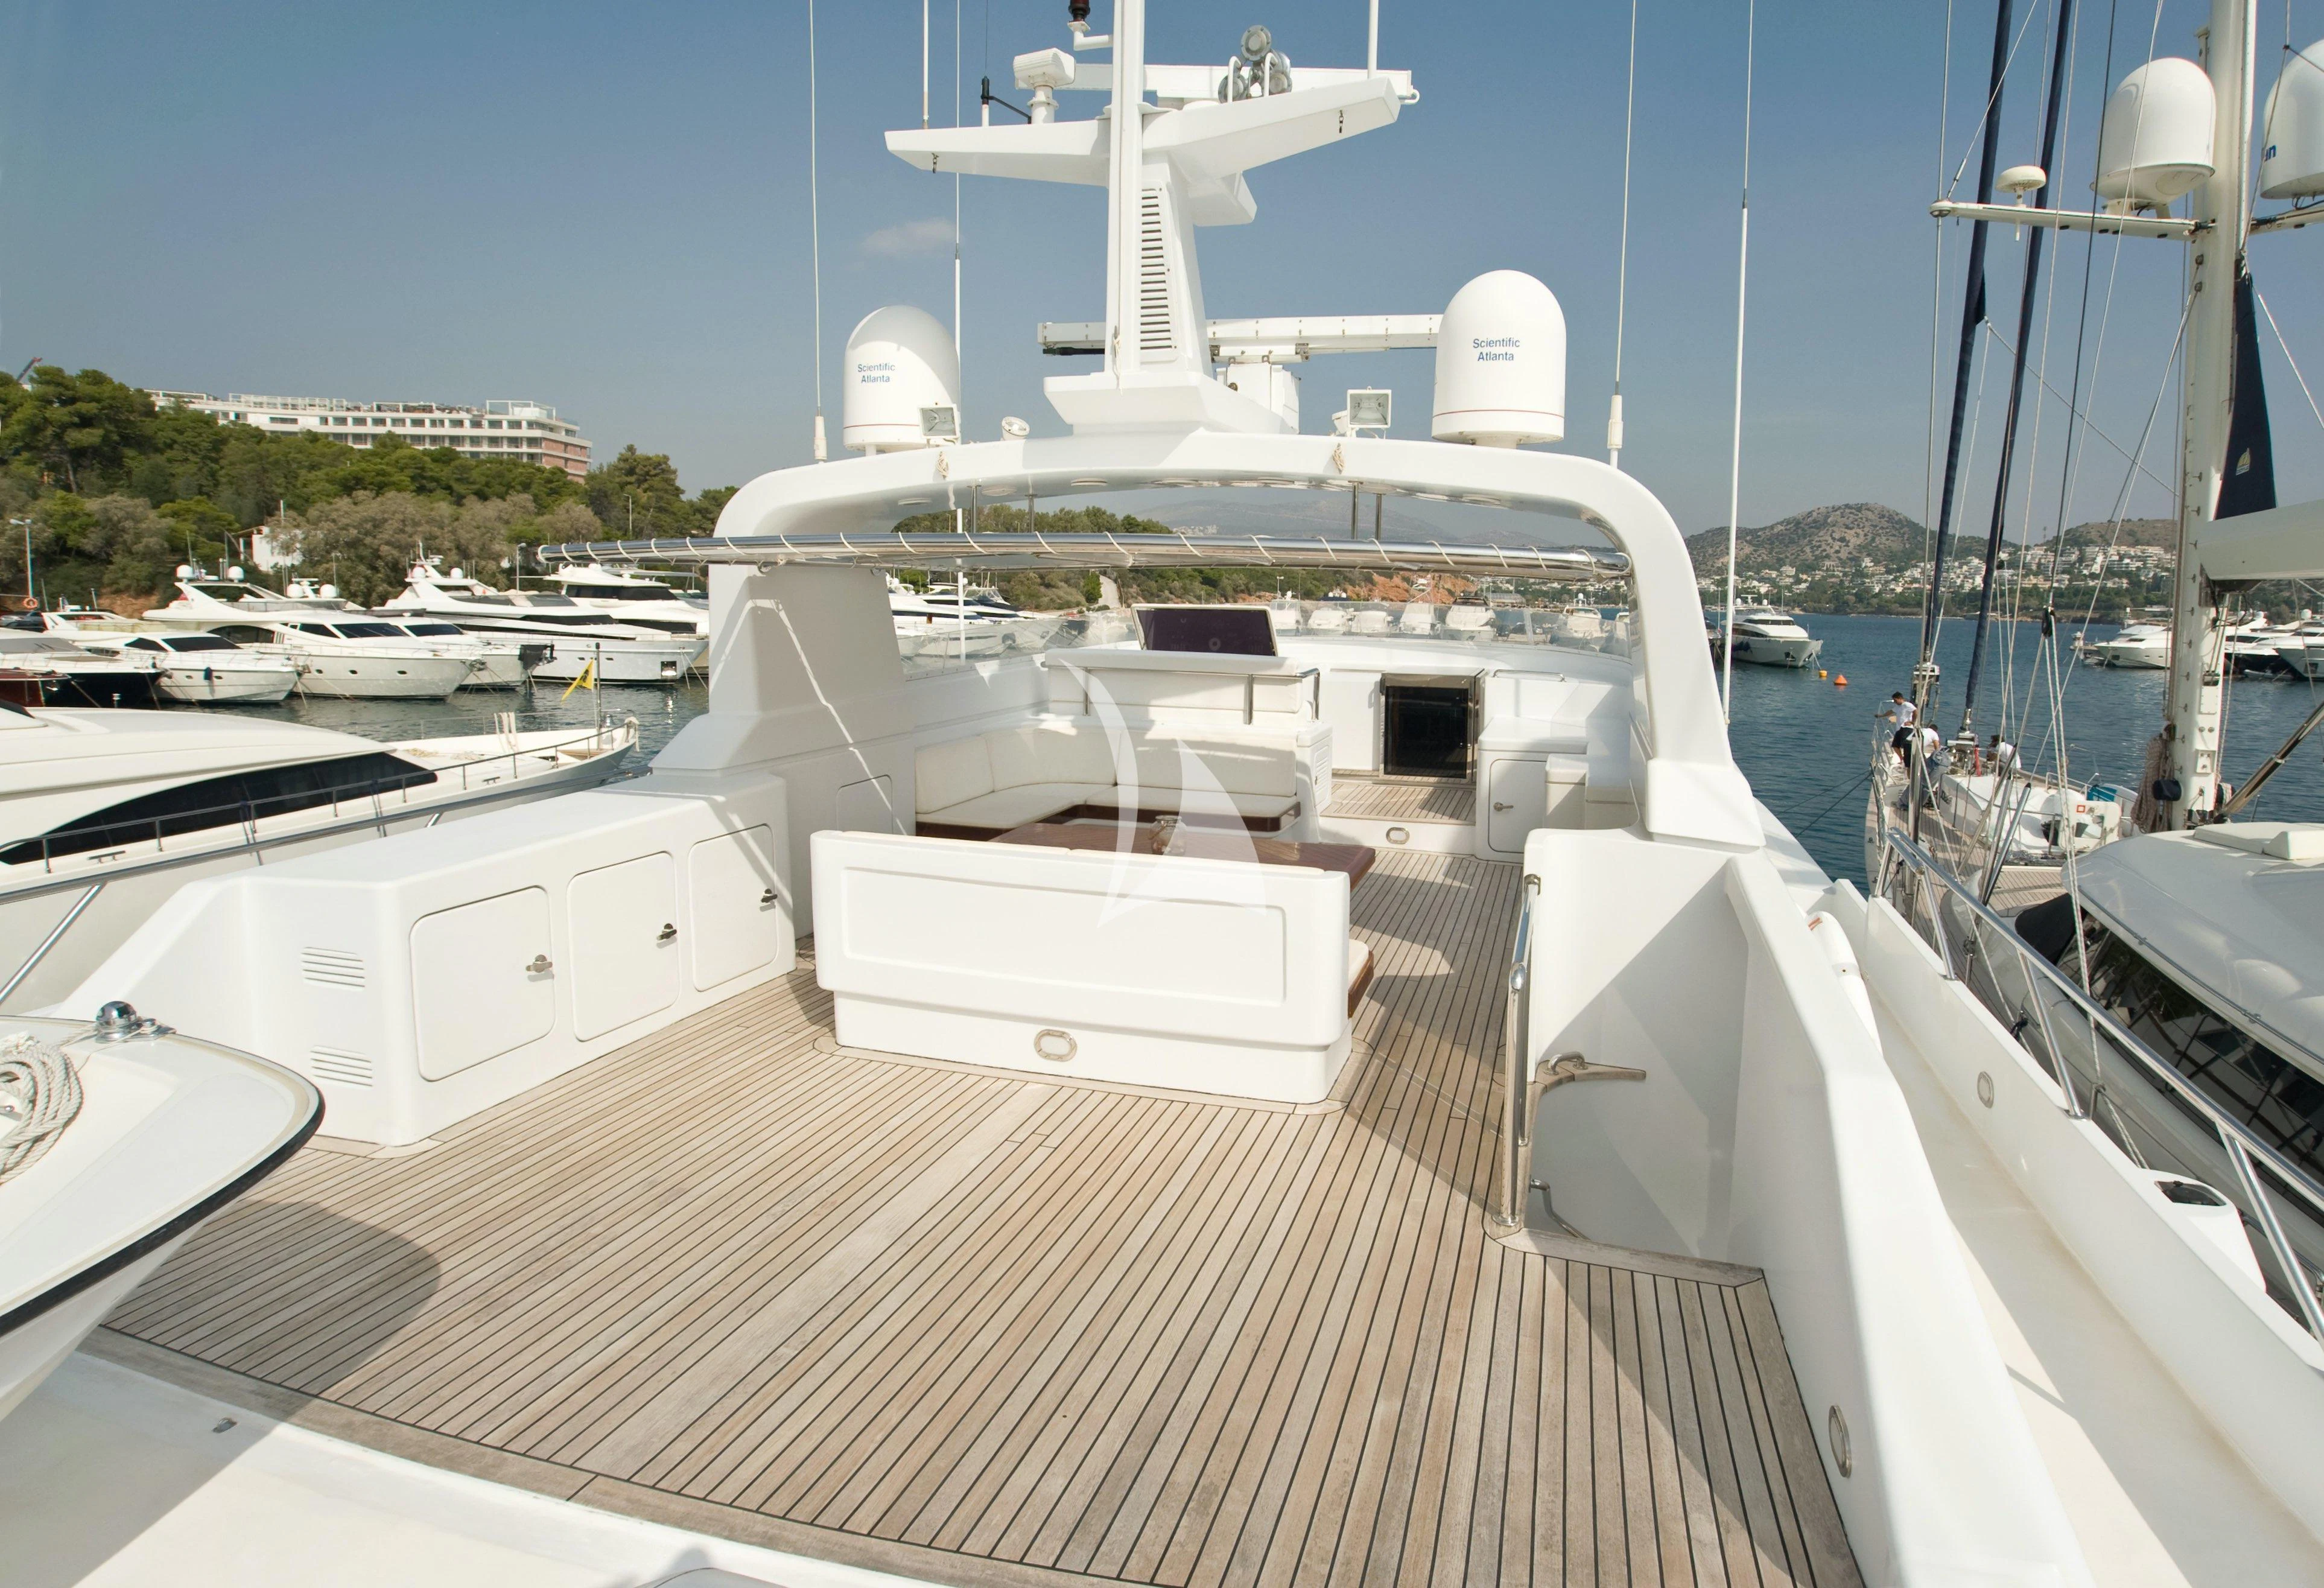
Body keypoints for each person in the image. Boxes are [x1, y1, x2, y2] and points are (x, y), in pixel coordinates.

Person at [1879, 691, 1917, 764]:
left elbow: (1915, 711)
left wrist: (1912, 722)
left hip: (1906, 728)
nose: (1895, 702)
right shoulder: (1898, 707)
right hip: (1899, 729)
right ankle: (1902, 760)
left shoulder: (1907, 705)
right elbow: (1891, 711)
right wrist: (1882, 716)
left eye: (1896, 700)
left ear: (1900, 698)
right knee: (1895, 746)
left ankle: (1908, 760)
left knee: (1905, 745)